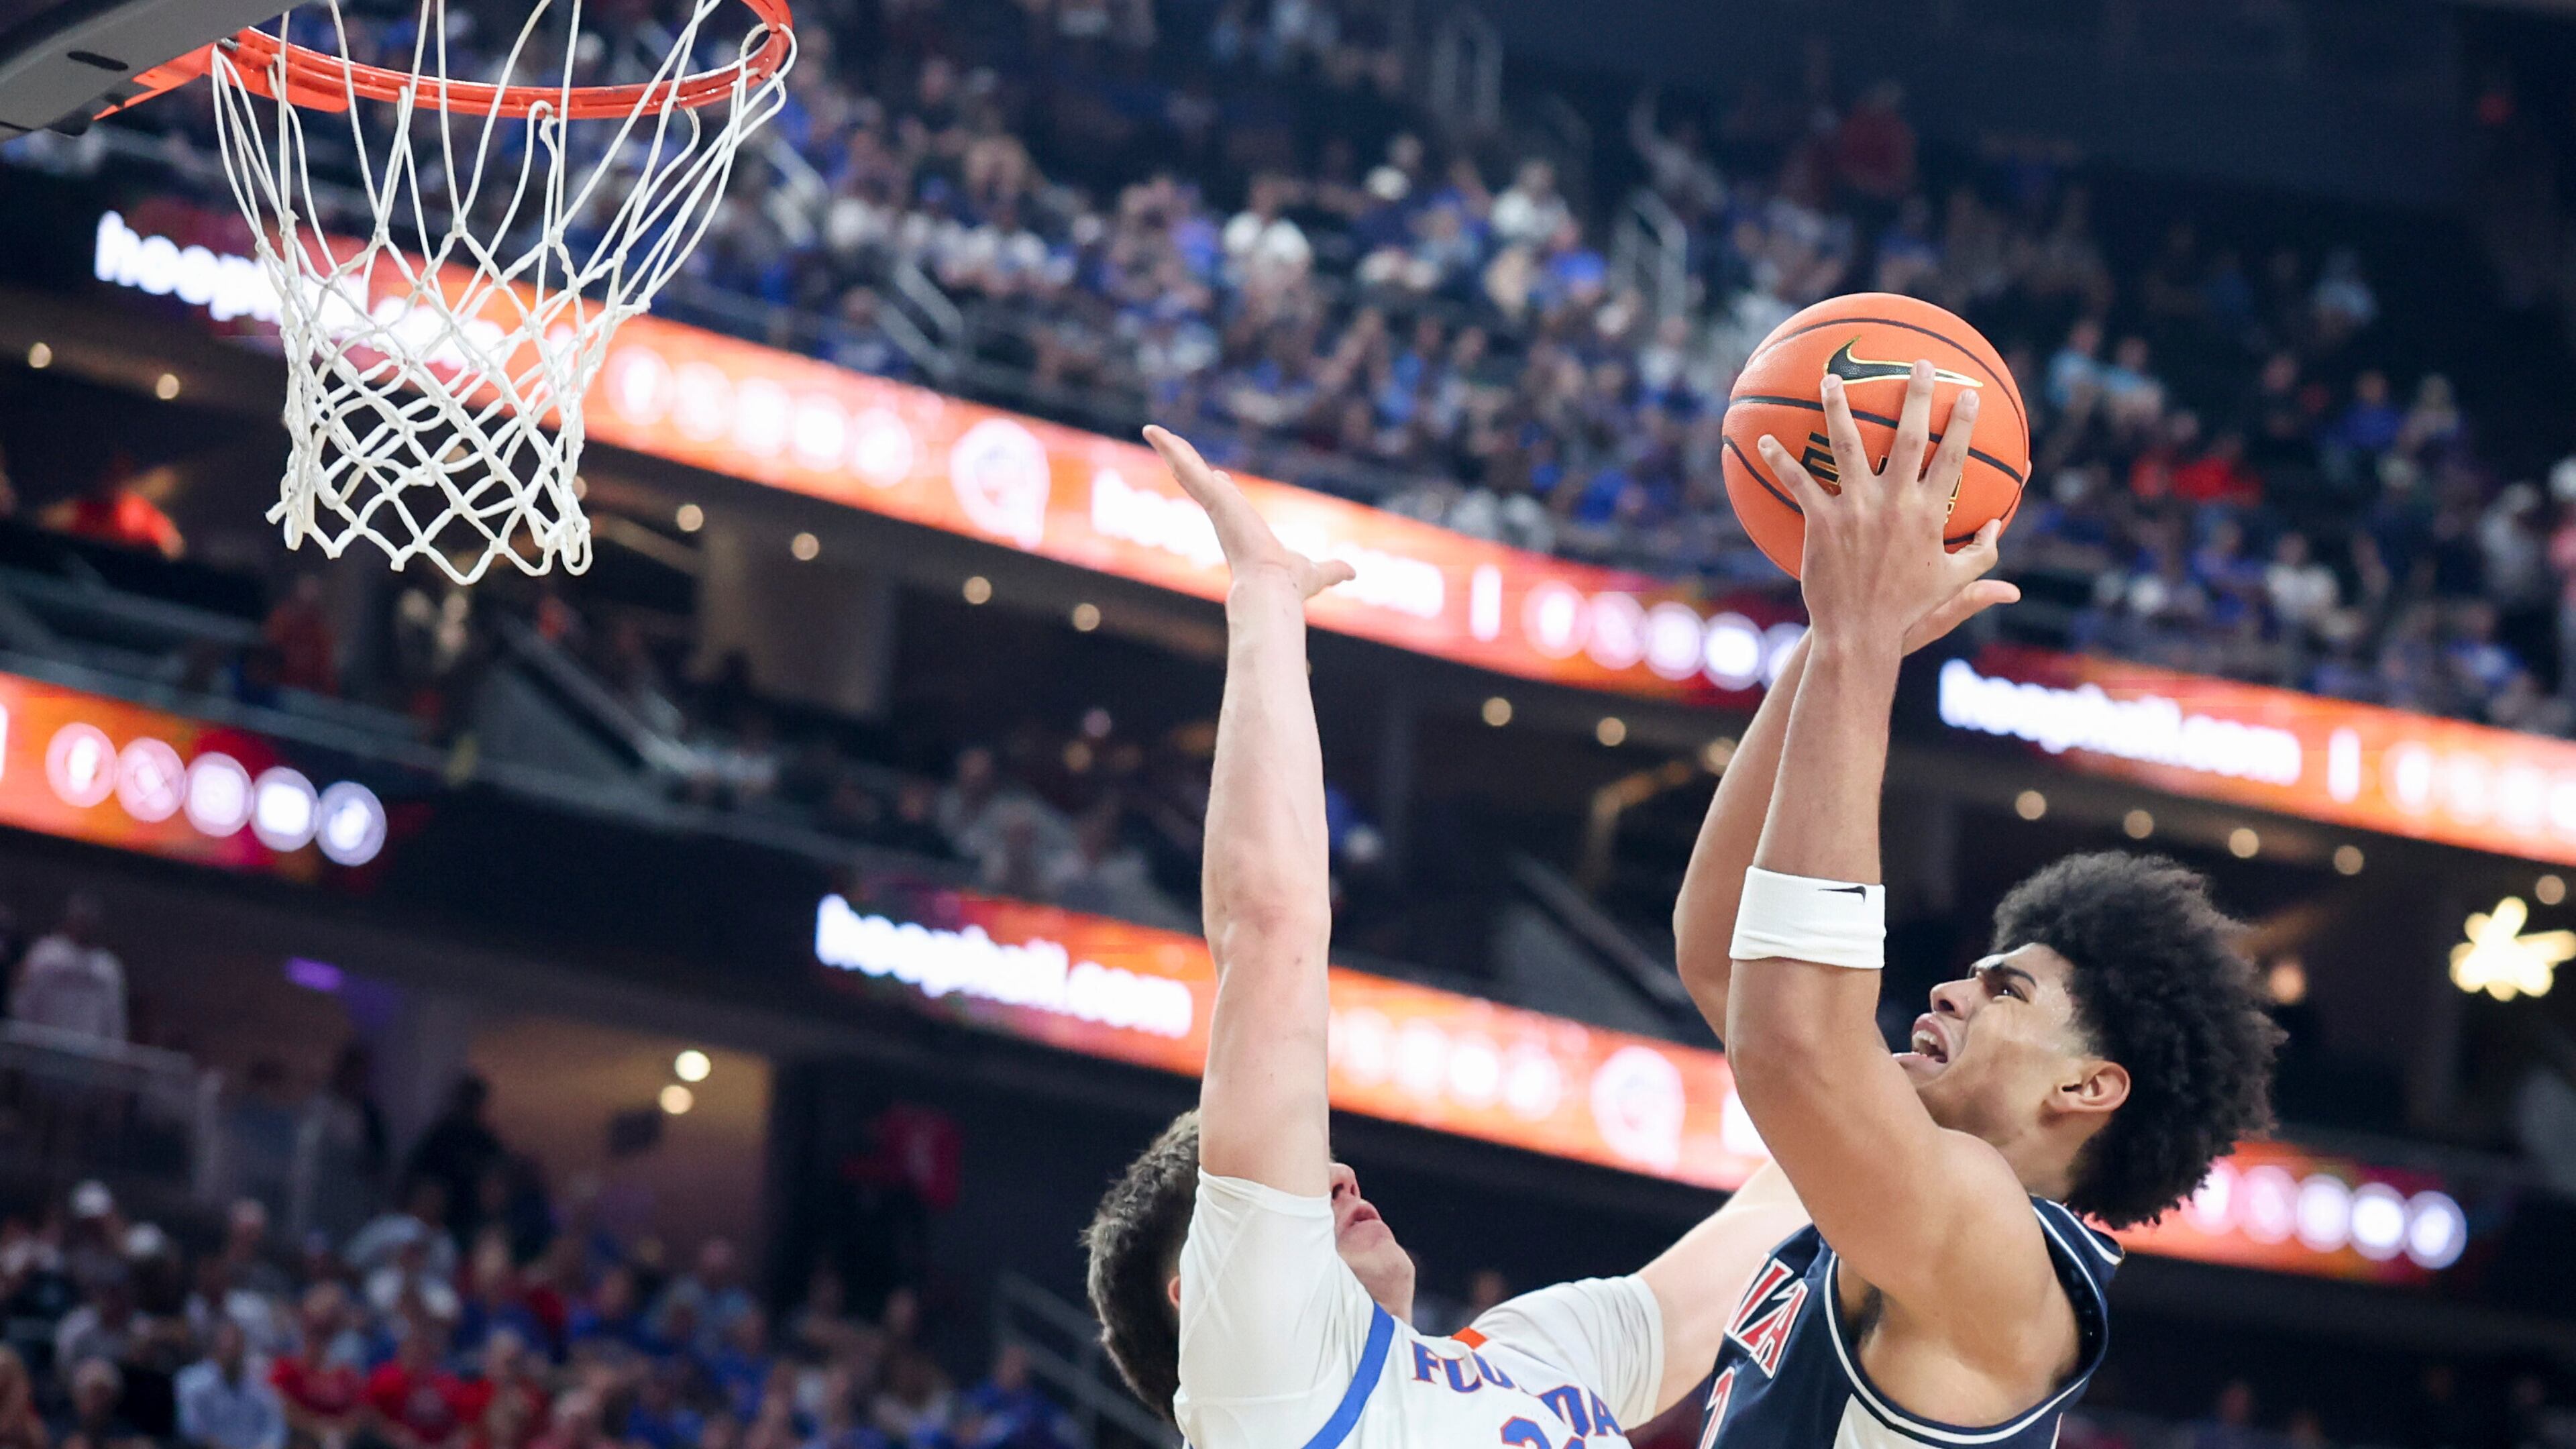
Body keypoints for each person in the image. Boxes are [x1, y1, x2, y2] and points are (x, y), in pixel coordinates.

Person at [1082, 427, 1813, 1447]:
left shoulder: (1529, 1357)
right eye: (1296, 1187)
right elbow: (1274, 927)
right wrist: (1263, 603)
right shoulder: (1263, 1380)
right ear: (1198, 1290)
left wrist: (1843, 634)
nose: (1337, 1175)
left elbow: (1773, 1217)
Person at [1678, 364, 2281, 1448]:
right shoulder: (1893, 1189)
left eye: (2007, 989)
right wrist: (1834, 642)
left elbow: (1793, 1041)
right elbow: (1728, 953)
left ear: (2089, 1084)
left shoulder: (2009, 1258)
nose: (1954, 985)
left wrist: (1862, 644)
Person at [12, 896, 125, 1042]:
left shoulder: (107, 967)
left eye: (88, 920)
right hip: (45, 1044)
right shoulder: (45, 954)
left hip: (89, 1050)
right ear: (70, 919)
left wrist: (114, 1053)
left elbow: (115, 1018)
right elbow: (25, 1002)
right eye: (80, 918)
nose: (84, 925)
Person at [174, 1320, 287, 1449]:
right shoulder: (191, 1382)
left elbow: (274, 1425)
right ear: (215, 1347)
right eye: (228, 1348)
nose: (234, 1353)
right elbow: (191, 1429)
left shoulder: (259, 1384)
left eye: (238, 1347)